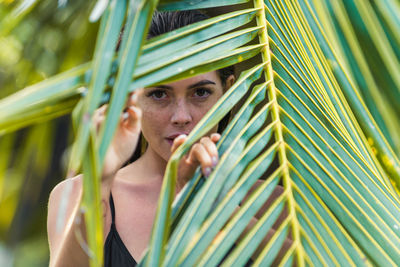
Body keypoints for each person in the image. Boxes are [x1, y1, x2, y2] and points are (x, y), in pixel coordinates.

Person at [47, 10, 287, 267]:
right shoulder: (78, 195)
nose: (181, 117)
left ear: (229, 92)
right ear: (129, 98)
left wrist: (222, 209)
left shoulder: (271, 202)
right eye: (159, 94)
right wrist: (100, 181)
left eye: (201, 92)